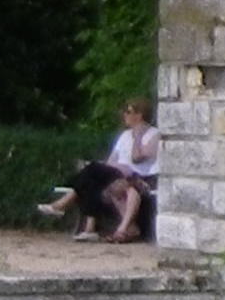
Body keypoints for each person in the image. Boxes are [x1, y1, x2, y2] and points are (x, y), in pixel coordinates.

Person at [35, 100, 159, 242]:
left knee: (92, 171)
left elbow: (137, 158)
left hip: (140, 176)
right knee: (93, 175)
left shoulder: (154, 134)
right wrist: (114, 166)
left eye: (128, 112)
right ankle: (88, 228)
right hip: (117, 174)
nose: (124, 115)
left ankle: (64, 207)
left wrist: (137, 137)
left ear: (140, 115)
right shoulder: (125, 135)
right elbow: (111, 160)